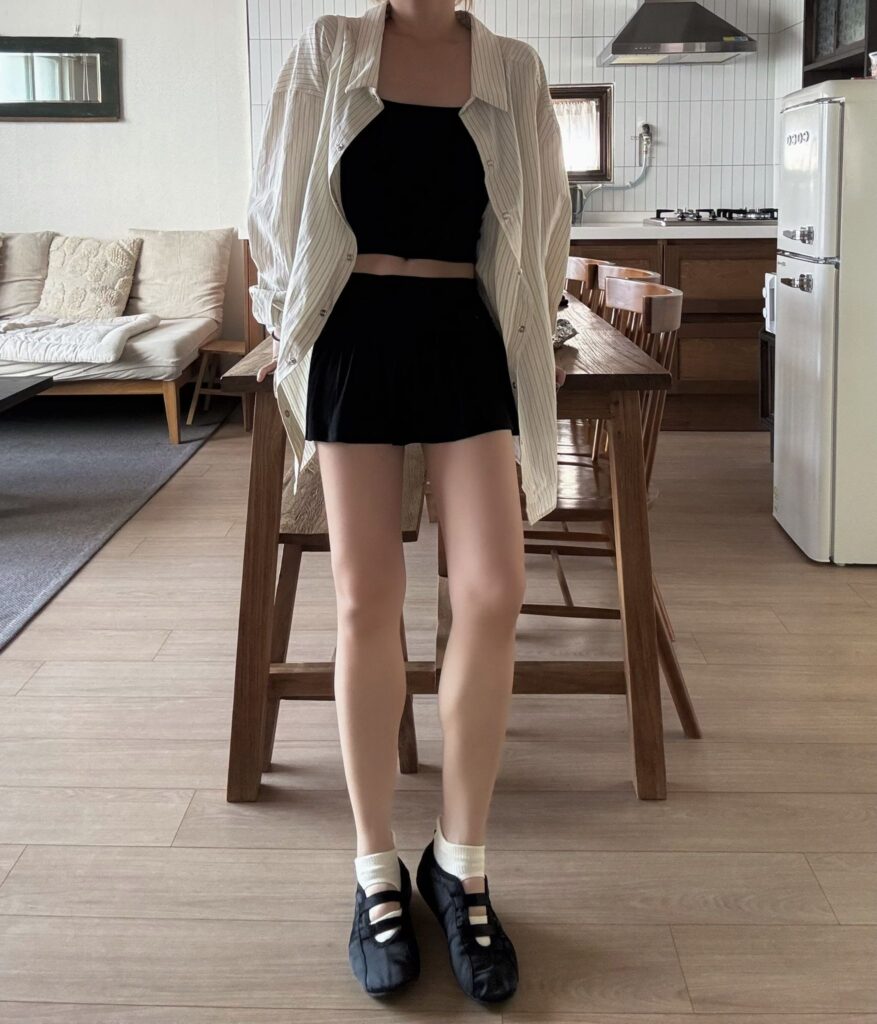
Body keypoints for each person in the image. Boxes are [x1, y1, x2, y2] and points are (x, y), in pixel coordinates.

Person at [246, 0, 571, 1004]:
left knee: (493, 589)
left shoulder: (512, 68)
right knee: (364, 599)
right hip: (353, 330)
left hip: (464, 331)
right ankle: (374, 865)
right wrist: (282, 321)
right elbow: (276, 200)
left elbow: (543, 224)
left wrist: (540, 329)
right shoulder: (329, 48)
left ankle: (459, 862)